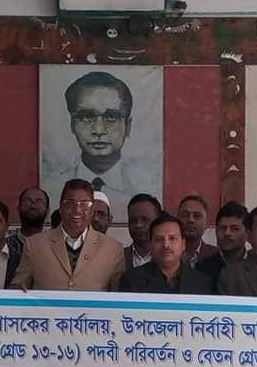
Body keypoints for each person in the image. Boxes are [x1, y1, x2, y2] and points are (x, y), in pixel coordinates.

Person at [53, 71, 146, 215]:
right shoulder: (54, 184)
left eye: (111, 117)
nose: (99, 130)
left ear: (128, 126)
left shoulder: (144, 184)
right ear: (72, 124)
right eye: (86, 117)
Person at [9, 180, 125, 292]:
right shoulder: (35, 245)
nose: (77, 210)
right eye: (70, 203)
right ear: (61, 207)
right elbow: (19, 287)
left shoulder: (113, 249)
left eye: (84, 204)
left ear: (92, 210)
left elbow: (119, 296)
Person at [118, 213, 216, 294]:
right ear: (150, 244)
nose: (166, 245)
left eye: (172, 238)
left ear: (183, 244)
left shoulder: (203, 282)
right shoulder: (132, 280)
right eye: (159, 239)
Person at [197, 202, 249, 281]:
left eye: (235, 229)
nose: (227, 233)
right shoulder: (202, 269)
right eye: (222, 228)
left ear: (247, 232)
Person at [176, 195, 219, 266]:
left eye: (197, 216)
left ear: (206, 223)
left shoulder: (217, 256)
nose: (190, 220)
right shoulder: (166, 253)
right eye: (185, 215)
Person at [123, 194, 162, 270]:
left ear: (158, 221)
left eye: (145, 220)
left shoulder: (167, 257)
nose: (138, 225)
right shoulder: (118, 257)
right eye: (133, 220)